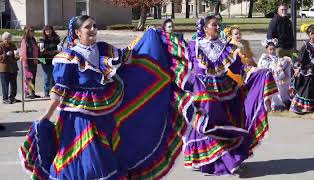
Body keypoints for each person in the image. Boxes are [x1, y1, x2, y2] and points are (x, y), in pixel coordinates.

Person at [19, 15, 193, 179]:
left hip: (103, 113)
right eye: (88, 27)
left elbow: (129, 57)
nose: (93, 29)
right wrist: (47, 116)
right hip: (78, 116)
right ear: (78, 32)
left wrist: (148, 37)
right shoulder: (68, 57)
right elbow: (60, 91)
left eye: (94, 26)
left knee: (105, 154)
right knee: (88, 156)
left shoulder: (103, 49)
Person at [183, 16, 277, 176]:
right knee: (209, 124)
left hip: (224, 89)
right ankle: (214, 161)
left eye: (218, 25)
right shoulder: (194, 46)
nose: (217, 28)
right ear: (205, 28)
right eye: (214, 25)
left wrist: (256, 72)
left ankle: (228, 160)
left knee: (227, 122)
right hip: (204, 92)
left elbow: (239, 68)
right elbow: (185, 68)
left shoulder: (226, 47)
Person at [290, 24, 314, 114]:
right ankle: (299, 106)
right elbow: (301, 59)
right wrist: (299, 68)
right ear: (309, 35)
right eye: (312, 33)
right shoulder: (306, 46)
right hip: (309, 70)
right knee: (307, 89)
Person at [258, 38, 292, 110]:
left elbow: (282, 66)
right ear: (267, 50)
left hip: (279, 78)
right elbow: (264, 68)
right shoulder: (265, 58)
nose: (272, 51)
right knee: (273, 90)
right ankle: (274, 104)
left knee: (281, 89)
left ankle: (283, 103)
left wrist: (285, 64)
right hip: (270, 78)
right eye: (270, 49)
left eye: (274, 49)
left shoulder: (278, 58)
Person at [39, 25, 60, 97]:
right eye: (46, 30)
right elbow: (41, 51)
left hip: (54, 60)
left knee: (54, 76)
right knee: (47, 76)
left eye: (49, 30)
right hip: (44, 60)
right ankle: (46, 92)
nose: (48, 31)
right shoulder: (42, 39)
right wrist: (46, 52)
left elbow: (59, 49)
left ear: (52, 30)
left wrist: (54, 52)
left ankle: (53, 92)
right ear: (44, 31)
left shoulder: (56, 39)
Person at [0, 32, 20, 104]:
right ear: (3, 39)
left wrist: (17, 56)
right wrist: (6, 54)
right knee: (5, 84)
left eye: (8, 38)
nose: (7, 40)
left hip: (13, 67)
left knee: (14, 83)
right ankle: (5, 99)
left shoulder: (13, 45)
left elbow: (16, 57)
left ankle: (12, 97)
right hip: (4, 68)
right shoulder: (1, 46)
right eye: (5, 38)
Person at [21, 26, 40, 99]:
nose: (33, 32)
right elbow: (23, 52)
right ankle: (27, 93)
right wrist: (25, 63)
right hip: (28, 62)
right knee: (28, 78)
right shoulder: (24, 40)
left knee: (33, 78)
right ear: (27, 32)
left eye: (33, 30)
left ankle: (32, 93)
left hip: (34, 62)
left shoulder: (33, 39)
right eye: (31, 31)